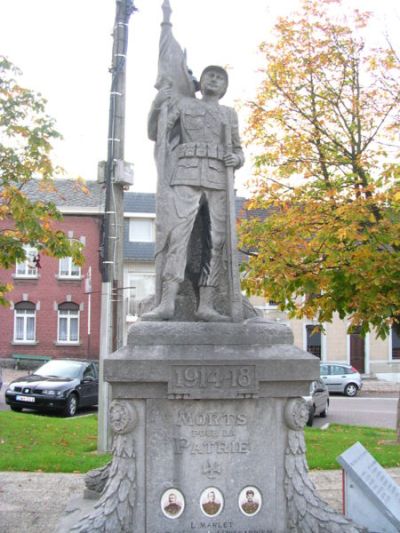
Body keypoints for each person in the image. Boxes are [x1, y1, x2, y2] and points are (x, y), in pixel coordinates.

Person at [143, 65, 244, 322]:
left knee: (216, 242)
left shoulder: (229, 114)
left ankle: (206, 305)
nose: (214, 79)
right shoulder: (185, 105)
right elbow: (157, 132)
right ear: (201, 80)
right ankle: (167, 302)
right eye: (210, 75)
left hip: (218, 179)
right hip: (186, 175)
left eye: (220, 77)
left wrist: (237, 159)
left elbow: (239, 150)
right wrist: (158, 104)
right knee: (178, 237)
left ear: (225, 86)